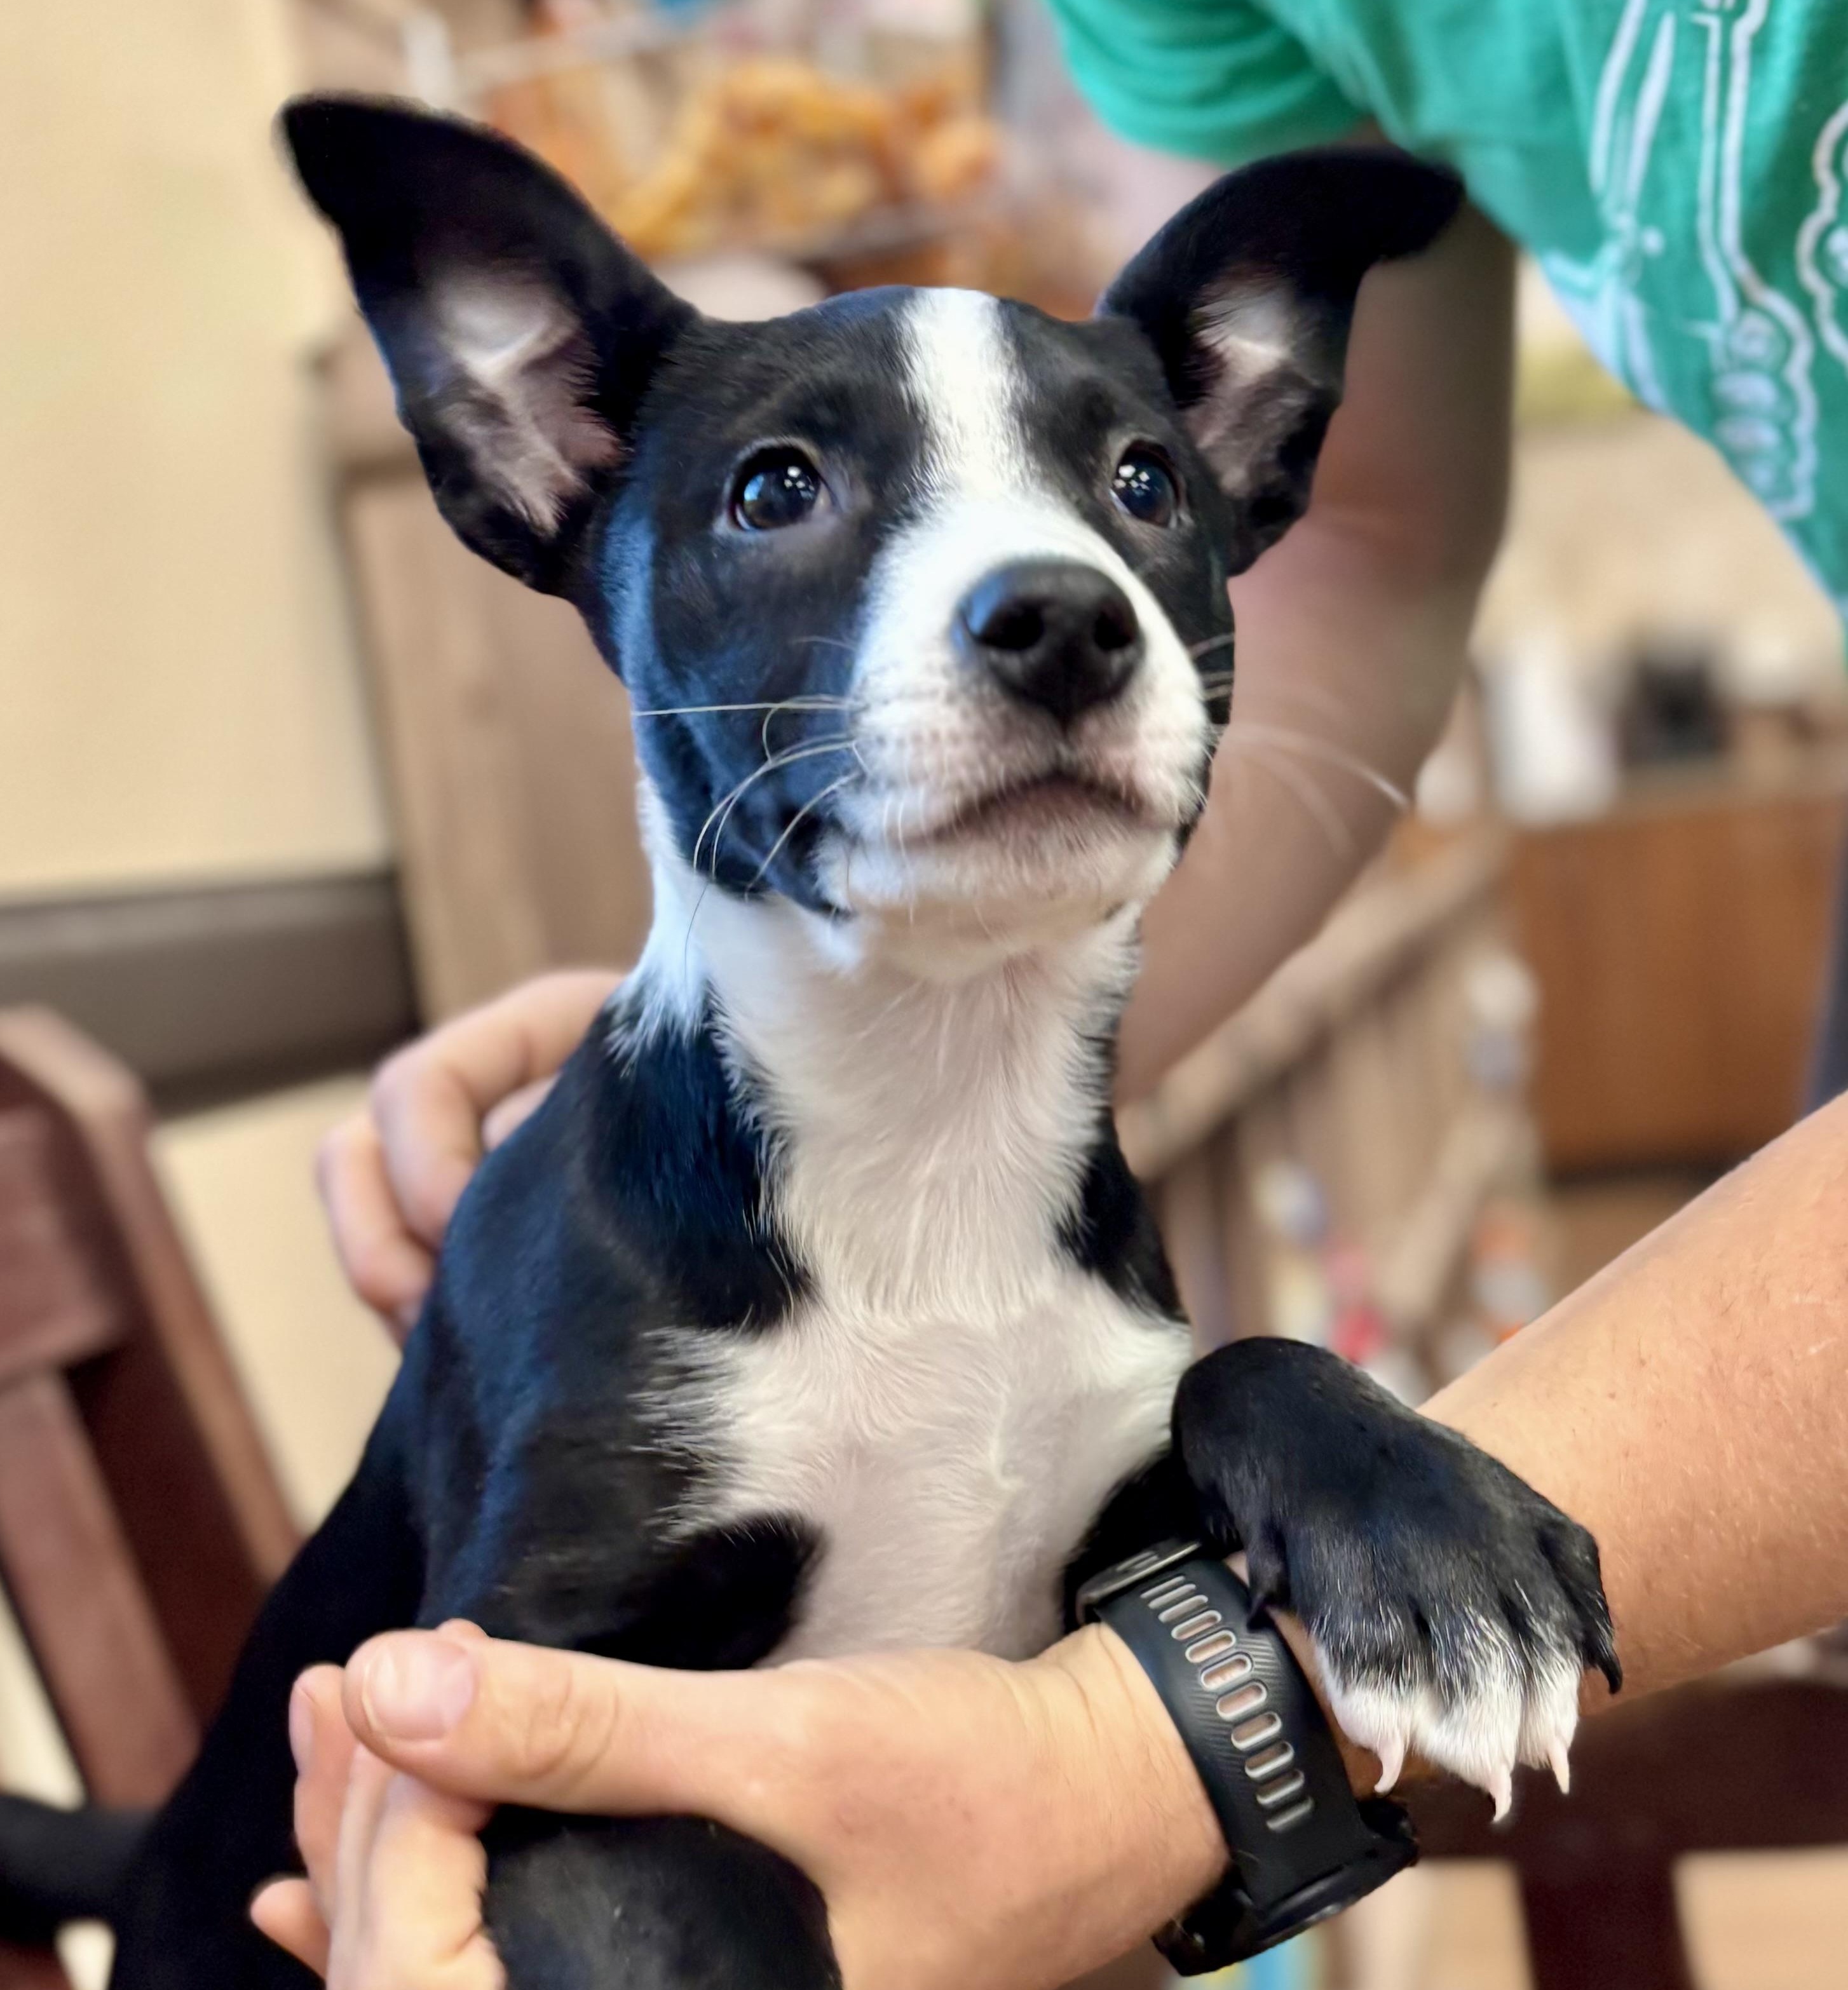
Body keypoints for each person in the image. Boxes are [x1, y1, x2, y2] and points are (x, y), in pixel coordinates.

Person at [263, 2, 1848, 1981]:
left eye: (1134, 485)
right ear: (537, 459)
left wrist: (1195, 1629)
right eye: (777, 488)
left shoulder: (1128, 1329)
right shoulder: (602, 1289)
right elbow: (514, 1774)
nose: (1047, 591)